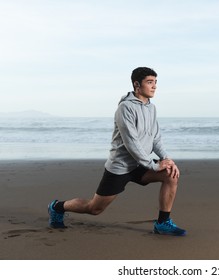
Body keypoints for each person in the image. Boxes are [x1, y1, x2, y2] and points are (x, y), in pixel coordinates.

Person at [48, 67, 186, 236]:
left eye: (156, 82)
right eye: (150, 82)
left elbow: (155, 138)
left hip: (140, 164)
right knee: (94, 208)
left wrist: (166, 159)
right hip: (120, 166)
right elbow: (131, 142)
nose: (154, 86)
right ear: (137, 84)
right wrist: (154, 165)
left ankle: (163, 223)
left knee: (171, 174)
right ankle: (57, 207)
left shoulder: (151, 108)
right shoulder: (125, 108)